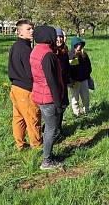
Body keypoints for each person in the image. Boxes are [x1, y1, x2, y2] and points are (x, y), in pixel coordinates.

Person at [30, 25, 64, 170]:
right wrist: (58, 103)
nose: (55, 37)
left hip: (39, 94)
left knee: (49, 128)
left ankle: (48, 154)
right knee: (52, 129)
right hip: (48, 97)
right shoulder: (48, 55)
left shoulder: (36, 50)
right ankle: (47, 161)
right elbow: (52, 81)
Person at [8, 19, 42, 151]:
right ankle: (37, 145)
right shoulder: (25, 49)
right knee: (33, 117)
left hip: (15, 88)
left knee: (19, 118)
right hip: (25, 89)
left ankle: (20, 145)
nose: (32, 31)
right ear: (19, 32)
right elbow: (31, 72)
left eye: (32, 28)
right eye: (28, 29)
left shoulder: (16, 46)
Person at [68, 37, 92, 116]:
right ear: (73, 45)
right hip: (75, 81)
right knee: (75, 99)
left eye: (80, 44)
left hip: (84, 79)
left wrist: (87, 75)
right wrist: (71, 80)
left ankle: (87, 111)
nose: (79, 46)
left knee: (86, 97)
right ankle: (77, 113)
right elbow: (70, 69)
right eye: (77, 45)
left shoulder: (84, 54)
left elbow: (89, 66)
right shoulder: (70, 55)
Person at [55, 28, 70, 134]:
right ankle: (53, 129)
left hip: (63, 82)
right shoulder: (52, 51)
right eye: (57, 37)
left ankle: (58, 127)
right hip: (55, 84)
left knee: (64, 105)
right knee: (57, 108)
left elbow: (67, 66)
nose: (59, 39)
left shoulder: (65, 49)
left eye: (61, 37)